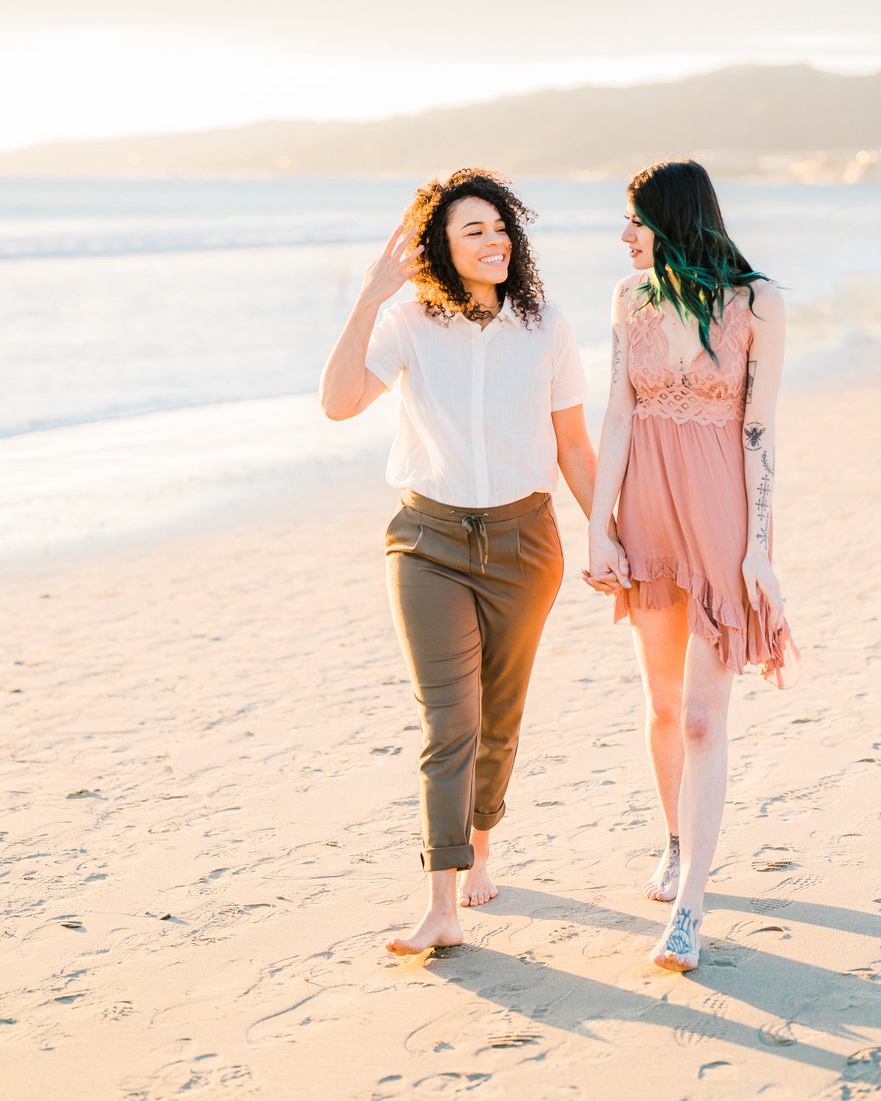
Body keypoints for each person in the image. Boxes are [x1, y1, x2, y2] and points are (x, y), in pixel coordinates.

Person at [320, 168, 595, 956]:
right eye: (473, 230)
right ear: (439, 247)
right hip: (427, 544)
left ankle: (482, 840)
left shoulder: (547, 327)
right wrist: (369, 296)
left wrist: (609, 534)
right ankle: (441, 899)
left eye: (501, 227)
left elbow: (575, 447)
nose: (494, 240)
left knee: (498, 722)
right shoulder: (406, 322)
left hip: (525, 543)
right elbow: (338, 403)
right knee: (451, 721)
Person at [586, 159, 799, 973]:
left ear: (673, 220)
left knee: (707, 717)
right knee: (665, 705)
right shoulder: (628, 298)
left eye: (636, 220)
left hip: (719, 521)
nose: (625, 235)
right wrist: (601, 529)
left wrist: (760, 549)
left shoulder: (758, 302)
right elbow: (616, 411)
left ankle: (690, 911)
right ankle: (675, 838)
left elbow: (760, 431)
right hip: (645, 511)